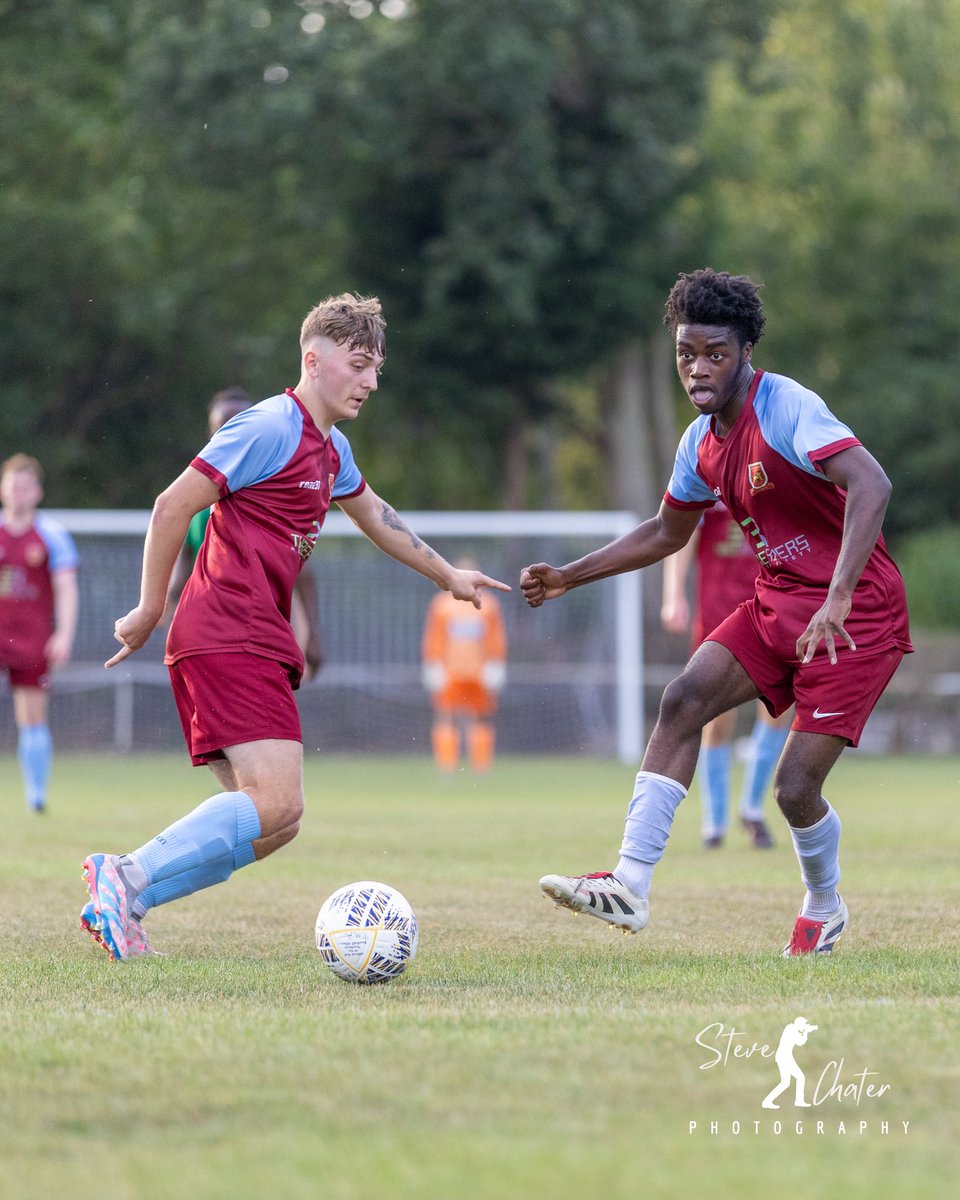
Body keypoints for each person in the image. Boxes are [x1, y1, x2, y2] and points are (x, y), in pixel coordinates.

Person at [79, 293, 510, 961]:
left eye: (378, 369)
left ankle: (126, 902)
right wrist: (148, 608)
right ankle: (124, 874)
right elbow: (171, 506)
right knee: (275, 800)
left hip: (245, 634)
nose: (371, 381)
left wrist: (447, 575)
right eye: (359, 364)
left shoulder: (332, 448)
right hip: (227, 628)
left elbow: (376, 515)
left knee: (278, 822)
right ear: (315, 359)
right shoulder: (270, 427)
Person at [522, 268, 911, 956]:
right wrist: (569, 577)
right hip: (778, 601)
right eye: (685, 354)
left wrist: (841, 593)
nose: (698, 369)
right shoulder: (699, 442)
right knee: (683, 699)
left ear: (746, 353)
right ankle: (630, 885)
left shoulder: (787, 407)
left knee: (794, 789)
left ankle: (825, 903)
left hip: (857, 618)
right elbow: (668, 532)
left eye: (715, 355)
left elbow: (871, 484)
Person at [165, 387, 324, 680]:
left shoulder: (274, 497)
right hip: (212, 632)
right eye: (223, 428)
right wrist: (163, 609)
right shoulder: (197, 504)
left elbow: (301, 567)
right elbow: (182, 564)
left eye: (242, 424)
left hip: (263, 635)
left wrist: (311, 633)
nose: (234, 434)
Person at [661, 504, 792, 848]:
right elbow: (681, 533)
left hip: (768, 611)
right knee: (716, 718)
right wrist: (673, 595)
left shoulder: (769, 471)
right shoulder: (709, 471)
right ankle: (714, 823)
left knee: (779, 710)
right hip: (719, 613)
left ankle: (751, 808)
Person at [0, 454, 79, 812]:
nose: (19, 493)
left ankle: (36, 795)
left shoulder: (52, 535)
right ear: (4, 490)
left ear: (38, 493)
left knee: (31, 715)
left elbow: (66, 589)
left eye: (26, 487)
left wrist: (63, 634)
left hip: (31, 638)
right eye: (13, 486)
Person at [421, 557, 507, 772]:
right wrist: (433, 664)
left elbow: (495, 637)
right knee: (446, 715)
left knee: (481, 717)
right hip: (450, 671)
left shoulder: (489, 604)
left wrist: (496, 663)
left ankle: (480, 766)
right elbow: (434, 637)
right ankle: (447, 766)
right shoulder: (441, 604)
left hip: (479, 671)